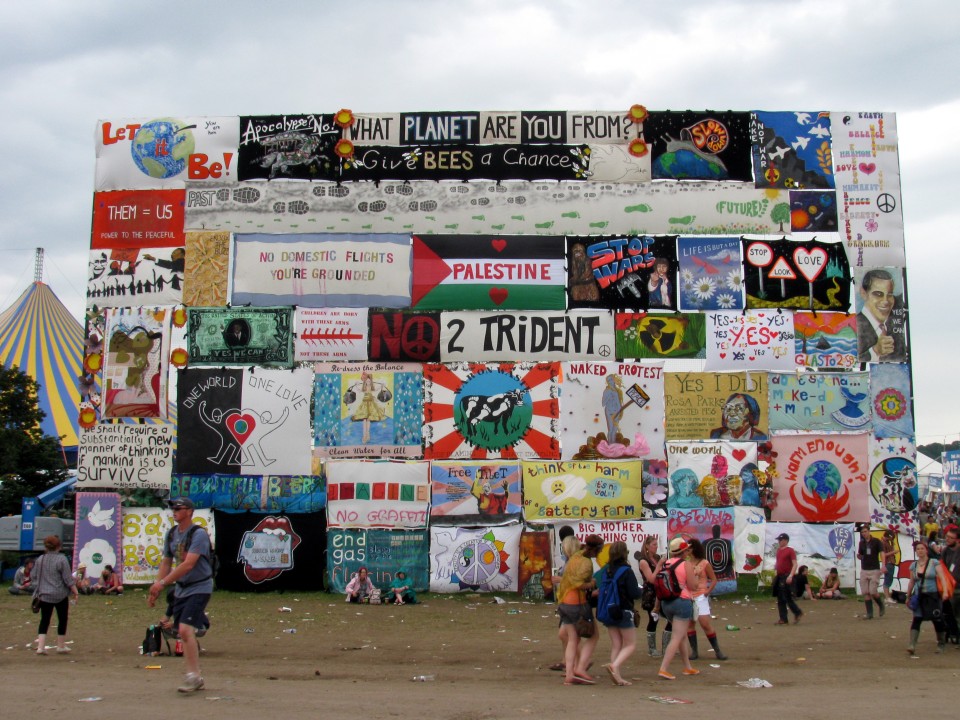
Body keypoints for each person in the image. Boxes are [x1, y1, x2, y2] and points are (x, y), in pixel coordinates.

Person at [148, 498, 214, 693]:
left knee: (185, 630)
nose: (174, 510)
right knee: (182, 632)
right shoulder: (171, 534)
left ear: (190, 511)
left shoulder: (198, 534)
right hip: (181, 589)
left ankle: (193, 676)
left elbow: (188, 564)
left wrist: (162, 583)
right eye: (172, 507)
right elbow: (166, 562)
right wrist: (157, 587)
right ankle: (194, 676)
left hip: (200, 586)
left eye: (178, 507)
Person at [555, 534, 602, 686]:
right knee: (593, 636)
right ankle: (581, 667)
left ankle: (570, 673)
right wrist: (592, 583)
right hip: (577, 603)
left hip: (564, 601)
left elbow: (569, 580)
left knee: (572, 639)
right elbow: (578, 583)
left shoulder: (575, 557)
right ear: (596, 550)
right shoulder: (586, 562)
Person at [655, 537, 701, 680]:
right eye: (687, 550)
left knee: (681, 636)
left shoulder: (666, 563)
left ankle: (687, 667)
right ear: (684, 551)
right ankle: (663, 669)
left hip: (666, 603)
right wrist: (696, 574)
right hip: (682, 602)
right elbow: (693, 586)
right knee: (677, 637)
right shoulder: (686, 564)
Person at [598, 541, 641, 686]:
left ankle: (617, 676)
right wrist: (641, 590)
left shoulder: (607, 571)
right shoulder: (626, 571)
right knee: (630, 644)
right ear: (624, 553)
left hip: (609, 610)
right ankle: (614, 666)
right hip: (624, 610)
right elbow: (634, 593)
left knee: (616, 644)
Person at [32, 535, 78, 655]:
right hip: (60, 594)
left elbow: (33, 576)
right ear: (59, 546)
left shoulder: (40, 559)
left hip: (44, 594)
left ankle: (41, 647)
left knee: (44, 619)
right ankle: (60, 646)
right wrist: (75, 591)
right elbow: (67, 579)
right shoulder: (62, 559)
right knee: (62, 619)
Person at [905, 540, 951, 654]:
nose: (920, 551)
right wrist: (908, 596)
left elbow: (942, 578)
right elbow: (911, 582)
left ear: (926, 550)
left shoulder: (934, 562)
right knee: (917, 618)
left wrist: (945, 591)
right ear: (915, 552)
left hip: (932, 596)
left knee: (937, 619)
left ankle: (941, 643)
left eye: (922, 548)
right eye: (918, 549)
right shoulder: (913, 565)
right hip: (919, 596)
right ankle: (912, 644)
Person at [687, 538, 728, 660]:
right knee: (690, 624)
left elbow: (714, 579)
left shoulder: (704, 563)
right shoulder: (686, 563)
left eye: (689, 548)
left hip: (701, 595)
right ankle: (694, 651)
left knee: (705, 623)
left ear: (694, 549)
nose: (687, 550)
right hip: (689, 596)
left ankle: (717, 650)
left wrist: (708, 591)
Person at [855, 268, 906, 362]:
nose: (885, 301)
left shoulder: (895, 330)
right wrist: (875, 351)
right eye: (878, 294)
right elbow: (847, 360)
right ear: (863, 293)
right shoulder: (854, 326)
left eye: (890, 295)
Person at [636, 535, 670, 658]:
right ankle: (652, 649)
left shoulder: (656, 558)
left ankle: (666, 647)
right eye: (654, 545)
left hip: (661, 591)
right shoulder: (643, 561)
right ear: (647, 546)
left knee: (670, 618)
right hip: (650, 593)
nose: (656, 547)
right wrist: (659, 565)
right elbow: (651, 579)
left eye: (656, 544)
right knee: (653, 619)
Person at [772, 533, 803, 624]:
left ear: (785, 540)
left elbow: (795, 564)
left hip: (786, 575)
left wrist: (790, 575)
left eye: (780, 540)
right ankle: (783, 618)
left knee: (786, 597)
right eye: (779, 540)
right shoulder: (778, 550)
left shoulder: (790, 550)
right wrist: (775, 569)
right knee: (780, 598)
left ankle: (797, 612)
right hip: (780, 576)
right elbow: (778, 562)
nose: (779, 541)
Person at [857, 525, 885, 619]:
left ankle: (880, 604)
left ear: (869, 531)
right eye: (862, 532)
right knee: (866, 592)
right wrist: (859, 556)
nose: (864, 534)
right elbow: (861, 554)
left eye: (865, 531)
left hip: (874, 569)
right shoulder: (861, 543)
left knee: (873, 591)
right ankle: (869, 613)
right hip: (864, 568)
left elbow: (882, 553)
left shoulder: (876, 541)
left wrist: (883, 565)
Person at [350, 372, 387, 444]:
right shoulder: (364, 387)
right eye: (367, 381)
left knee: (368, 419)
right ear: (365, 381)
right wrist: (356, 385)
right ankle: (364, 435)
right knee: (364, 419)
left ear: (371, 381)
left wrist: (382, 386)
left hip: (371, 404)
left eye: (369, 381)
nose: (368, 382)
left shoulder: (371, 387)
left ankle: (368, 434)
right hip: (364, 404)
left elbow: (376, 389)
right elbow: (359, 390)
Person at [939, 527, 960, 644]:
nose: (947, 539)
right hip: (947, 587)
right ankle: (951, 633)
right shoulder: (945, 551)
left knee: (957, 614)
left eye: (951, 538)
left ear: (957, 540)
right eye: (947, 536)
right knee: (946, 613)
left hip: (958, 588)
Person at [882, 529, 897, 603]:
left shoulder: (888, 543)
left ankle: (887, 597)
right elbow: (883, 554)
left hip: (891, 562)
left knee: (889, 579)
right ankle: (887, 597)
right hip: (888, 562)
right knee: (887, 580)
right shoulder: (883, 543)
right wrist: (893, 552)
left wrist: (892, 544)